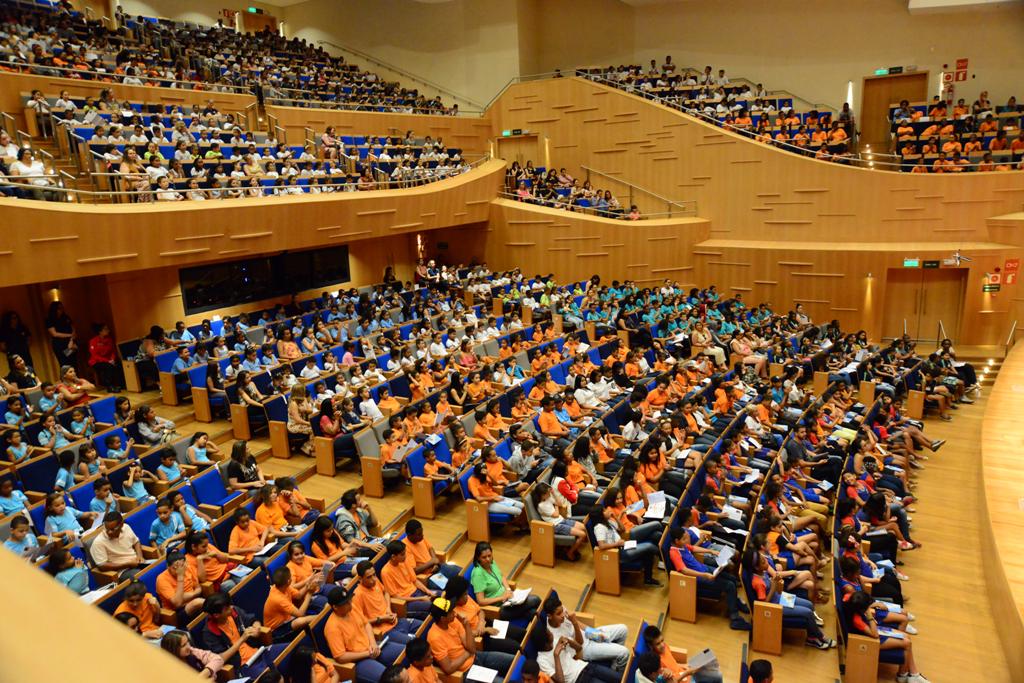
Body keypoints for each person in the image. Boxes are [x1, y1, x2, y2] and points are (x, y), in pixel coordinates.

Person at [666, 526, 749, 630]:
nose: (687, 541)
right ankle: (735, 619)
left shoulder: (682, 545)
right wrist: (704, 575)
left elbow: (694, 548)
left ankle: (734, 601)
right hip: (698, 578)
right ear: (676, 541)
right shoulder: (674, 552)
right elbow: (684, 570)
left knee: (731, 578)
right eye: (684, 539)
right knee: (730, 585)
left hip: (704, 569)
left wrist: (711, 552)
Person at [323, 586, 405, 683]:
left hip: (373, 647)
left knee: (405, 651)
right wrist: (367, 654)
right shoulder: (332, 627)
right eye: (345, 603)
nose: (350, 604)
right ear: (335, 607)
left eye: (349, 600)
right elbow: (340, 657)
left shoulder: (352, 609)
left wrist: (373, 643)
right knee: (391, 679)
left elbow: (367, 624)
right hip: (359, 661)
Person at [426, 596, 514, 677]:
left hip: (476, 657)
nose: (455, 613)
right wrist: (467, 654)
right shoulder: (434, 637)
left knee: (513, 661)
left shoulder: (454, 621)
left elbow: (472, 649)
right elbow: (449, 668)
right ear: (443, 618)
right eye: (451, 612)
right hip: (465, 672)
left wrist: (467, 625)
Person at [544, 594, 630, 671]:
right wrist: (574, 623)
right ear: (549, 616)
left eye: (562, 611)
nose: (563, 615)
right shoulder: (554, 635)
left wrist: (594, 632)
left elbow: (578, 623)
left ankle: (614, 659)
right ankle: (615, 672)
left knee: (623, 629)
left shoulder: (560, 610)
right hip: (584, 649)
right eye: (559, 614)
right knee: (624, 653)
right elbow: (579, 643)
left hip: (587, 634)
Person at [588, 506, 661, 586]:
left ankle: (648, 579)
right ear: (600, 515)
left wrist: (615, 517)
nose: (608, 511)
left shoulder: (607, 521)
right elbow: (601, 546)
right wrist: (617, 544)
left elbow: (622, 529)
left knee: (653, 540)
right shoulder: (599, 527)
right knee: (649, 546)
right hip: (619, 553)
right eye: (604, 511)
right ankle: (663, 556)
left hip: (624, 545)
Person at [351, 560, 423, 641]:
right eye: (369, 577)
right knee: (413, 643)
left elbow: (386, 593)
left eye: (374, 575)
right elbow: (360, 623)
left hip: (396, 621)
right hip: (385, 631)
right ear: (360, 579)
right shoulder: (357, 595)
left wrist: (388, 609)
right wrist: (382, 619)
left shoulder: (375, 582)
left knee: (424, 627)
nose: (374, 579)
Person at [469, 541, 541, 620]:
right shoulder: (478, 574)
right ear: (478, 557)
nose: (488, 559)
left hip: (509, 600)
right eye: (484, 557)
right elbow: (481, 601)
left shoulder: (491, 563)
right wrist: (502, 597)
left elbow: (502, 576)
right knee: (535, 599)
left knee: (533, 613)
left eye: (489, 556)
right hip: (498, 608)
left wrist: (508, 589)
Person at [533, 623, 620, 683]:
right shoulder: (541, 660)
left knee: (620, 678)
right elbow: (560, 681)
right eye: (549, 633)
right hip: (579, 680)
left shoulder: (556, 640)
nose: (552, 633)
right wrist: (556, 656)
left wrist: (569, 641)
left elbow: (579, 648)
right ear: (546, 640)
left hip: (587, 666)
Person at [641, 625, 723, 683]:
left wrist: (683, 665)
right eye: (658, 644)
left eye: (662, 640)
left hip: (685, 672)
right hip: (683, 678)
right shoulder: (656, 663)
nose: (662, 645)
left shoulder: (665, 647)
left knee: (718, 675)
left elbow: (672, 663)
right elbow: (671, 681)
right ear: (651, 646)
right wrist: (687, 673)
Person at [380, 540, 437, 618]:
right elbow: (395, 597)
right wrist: (421, 598)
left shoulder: (404, 561)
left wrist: (428, 591)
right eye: (402, 554)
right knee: (434, 607)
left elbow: (415, 580)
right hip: (407, 602)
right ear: (393, 557)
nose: (405, 556)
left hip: (417, 592)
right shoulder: (385, 572)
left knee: (441, 596)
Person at [90, 510, 145, 581]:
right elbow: (102, 566)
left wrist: (140, 556)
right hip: (123, 572)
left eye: (113, 529)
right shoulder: (98, 542)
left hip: (138, 564)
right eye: (107, 529)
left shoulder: (126, 527)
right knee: (142, 575)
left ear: (121, 524)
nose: (109, 532)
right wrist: (127, 564)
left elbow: (136, 542)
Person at [404, 518, 461, 585]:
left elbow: (430, 548)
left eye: (422, 532)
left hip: (438, 567)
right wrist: (432, 562)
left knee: (461, 572)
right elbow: (414, 571)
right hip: (430, 576)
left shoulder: (420, 539)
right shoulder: (405, 548)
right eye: (419, 534)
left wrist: (435, 562)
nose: (422, 536)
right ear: (410, 535)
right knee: (453, 586)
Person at [160, 629, 225, 679]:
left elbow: (218, 659)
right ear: (173, 650)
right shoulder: (169, 670)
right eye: (184, 645)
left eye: (188, 642)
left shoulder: (192, 651)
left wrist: (203, 675)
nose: (188, 646)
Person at [87, 323, 125, 391]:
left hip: (109, 360)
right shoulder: (93, 341)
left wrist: (112, 359)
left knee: (119, 364)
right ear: (100, 331)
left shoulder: (109, 340)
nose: (108, 330)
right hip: (97, 361)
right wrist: (108, 361)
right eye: (105, 329)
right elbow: (94, 355)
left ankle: (121, 384)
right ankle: (110, 386)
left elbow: (113, 351)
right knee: (108, 366)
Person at [45, 301, 77, 367]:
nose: (61, 310)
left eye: (62, 308)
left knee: (73, 362)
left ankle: (76, 377)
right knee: (65, 364)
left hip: (70, 343)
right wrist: (70, 335)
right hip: (60, 345)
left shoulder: (66, 317)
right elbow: (54, 334)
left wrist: (71, 340)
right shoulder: (50, 319)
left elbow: (73, 328)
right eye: (59, 308)